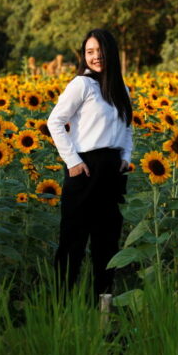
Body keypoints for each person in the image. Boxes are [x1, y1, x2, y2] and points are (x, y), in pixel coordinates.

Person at [47, 29, 133, 298]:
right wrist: (72, 161)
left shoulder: (122, 89)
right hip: (85, 168)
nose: (95, 57)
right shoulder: (81, 85)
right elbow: (55, 122)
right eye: (90, 52)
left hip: (113, 170)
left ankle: (103, 307)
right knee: (73, 240)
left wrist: (126, 158)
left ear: (111, 53)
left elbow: (128, 129)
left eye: (100, 51)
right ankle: (59, 306)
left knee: (107, 243)